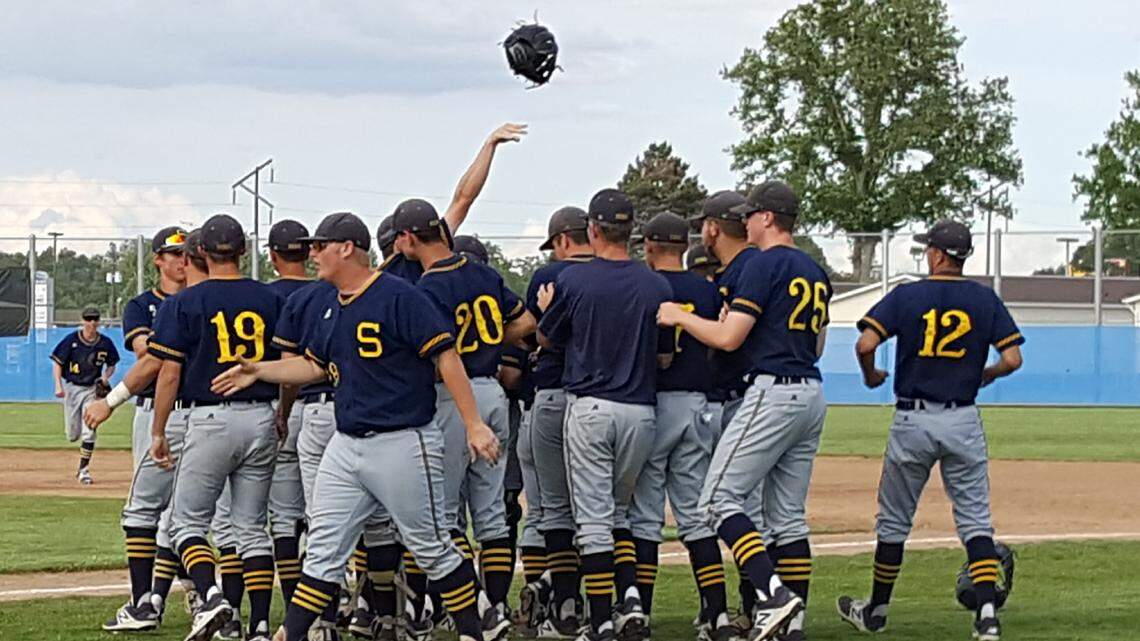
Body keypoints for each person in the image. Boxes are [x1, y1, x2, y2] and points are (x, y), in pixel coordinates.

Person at [208, 211, 503, 641]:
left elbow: (446, 356)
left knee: (433, 548)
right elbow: (313, 366)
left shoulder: (399, 296)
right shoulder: (330, 303)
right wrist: (261, 370)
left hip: (403, 441)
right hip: (347, 445)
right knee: (324, 550)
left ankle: (474, 633)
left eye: (319, 245)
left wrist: (473, 423)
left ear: (347, 248)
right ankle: (290, 634)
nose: (312, 255)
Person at [659, 180, 831, 641]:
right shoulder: (813, 269)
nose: (746, 221)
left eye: (753, 214)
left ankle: (772, 595)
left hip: (773, 390)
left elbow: (728, 338)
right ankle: (791, 626)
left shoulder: (763, 264)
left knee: (716, 500)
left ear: (768, 218)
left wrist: (680, 316)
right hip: (811, 390)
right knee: (788, 518)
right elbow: (818, 341)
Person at [836, 220, 1024, 641]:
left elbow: (866, 344)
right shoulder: (983, 299)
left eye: (929, 250)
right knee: (975, 519)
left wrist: (870, 376)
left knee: (894, 520)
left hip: (913, 418)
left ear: (938, 255)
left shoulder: (908, 295)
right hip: (962, 417)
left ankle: (878, 610)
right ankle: (988, 616)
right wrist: (987, 375)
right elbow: (1012, 359)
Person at [537, 189, 673, 641]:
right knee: (620, 512)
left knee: (593, 519)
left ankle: (599, 622)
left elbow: (547, 338)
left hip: (591, 406)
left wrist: (544, 313)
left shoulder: (575, 281)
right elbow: (666, 356)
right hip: (641, 410)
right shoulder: (656, 283)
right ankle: (630, 600)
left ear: (593, 230)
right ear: (631, 230)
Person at [396, 199, 536, 633]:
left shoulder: (425, 287)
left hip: (453, 398)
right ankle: (496, 604)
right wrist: (491, 340)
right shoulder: (484, 273)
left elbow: (433, 351)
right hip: (492, 391)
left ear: (410, 238)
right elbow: (528, 320)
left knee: (445, 514)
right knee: (492, 513)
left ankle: (477, 605)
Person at [147, 213, 285, 641]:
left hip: (210, 416)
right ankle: (261, 625)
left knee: (185, 524)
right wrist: (282, 412)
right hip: (262, 414)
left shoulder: (184, 302)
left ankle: (211, 597)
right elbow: (285, 365)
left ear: (199, 253)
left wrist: (158, 429)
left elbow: (169, 373)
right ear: (244, 250)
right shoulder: (271, 298)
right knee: (251, 527)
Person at [628, 212, 733, 641]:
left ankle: (640, 614)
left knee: (645, 518)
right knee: (695, 517)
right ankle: (717, 614)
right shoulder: (708, 290)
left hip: (656, 405)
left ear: (651, 245)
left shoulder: (650, 287)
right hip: (697, 405)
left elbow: (660, 353)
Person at [97, 226, 188, 632]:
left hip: (198, 410)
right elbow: (147, 353)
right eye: (173, 254)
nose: (181, 260)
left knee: (189, 509)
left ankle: (159, 598)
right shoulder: (142, 305)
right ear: (158, 260)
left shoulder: (200, 300)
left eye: (186, 253)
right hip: (152, 408)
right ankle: (163, 595)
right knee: (157, 506)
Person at [519, 205, 594, 637]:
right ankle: (611, 602)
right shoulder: (615, 273)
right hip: (602, 398)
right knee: (601, 511)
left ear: (564, 239)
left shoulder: (550, 278)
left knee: (551, 511)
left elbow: (538, 332)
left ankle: (560, 599)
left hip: (550, 395)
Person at [378, 123, 527, 281]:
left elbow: (462, 199)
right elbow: (463, 199)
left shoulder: (376, 283)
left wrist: (489, 145)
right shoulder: (428, 251)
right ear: (401, 239)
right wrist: (489, 145)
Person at [263, 219, 315, 615]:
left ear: (272, 254)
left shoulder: (262, 296)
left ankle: (293, 605)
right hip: (328, 407)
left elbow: (284, 365)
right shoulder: (328, 293)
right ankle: (337, 603)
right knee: (325, 515)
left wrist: (282, 410)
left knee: (283, 518)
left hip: (281, 406)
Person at [51, 305, 119, 485]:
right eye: (88, 319)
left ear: (99, 321)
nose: (92, 323)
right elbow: (58, 363)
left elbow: (112, 364)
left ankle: (83, 470)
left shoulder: (105, 343)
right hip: (73, 388)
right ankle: (80, 456)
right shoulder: (71, 340)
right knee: (73, 434)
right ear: (82, 321)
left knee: (89, 432)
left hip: (92, 390)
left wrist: (105, 377)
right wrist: (58, 386)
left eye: (95, 319)